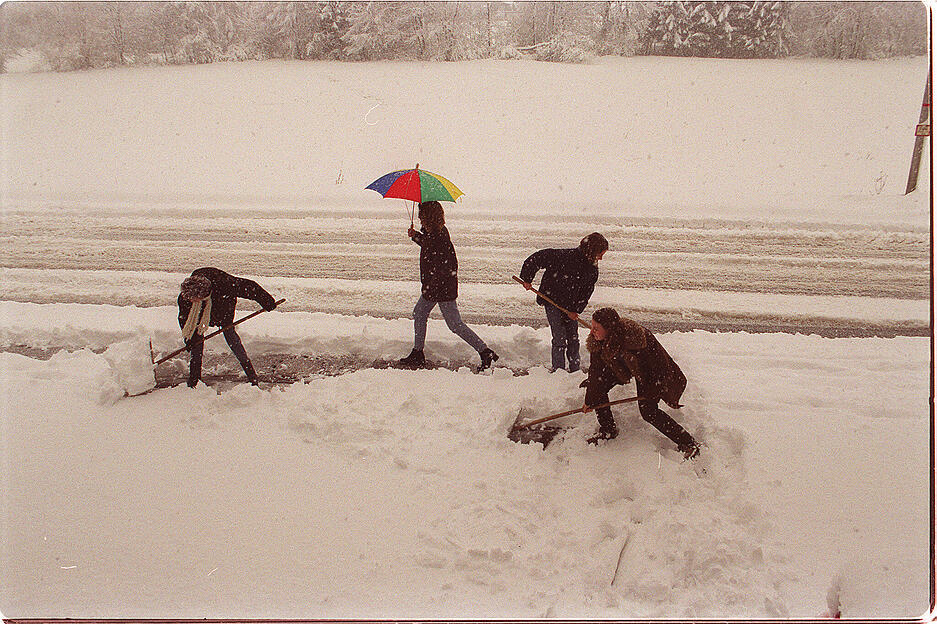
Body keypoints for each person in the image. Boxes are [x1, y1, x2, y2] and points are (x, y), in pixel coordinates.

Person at [581, 307, 700, 459]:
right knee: (598, 389)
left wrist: (654, 388)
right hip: (621, 366)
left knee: (648, 411)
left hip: (648, 372)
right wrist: (590, 399)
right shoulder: (597, 341)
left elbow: (660, 365)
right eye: (592, 326)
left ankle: (688, 442)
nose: (591, 331)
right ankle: (608, 429)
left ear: (609, 329)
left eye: (596, 328)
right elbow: (596, 372)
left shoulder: (637, 339)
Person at [398, 201, 499, 371]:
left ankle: (484, 351)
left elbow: (446, 265)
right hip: (439, 287)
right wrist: (415, 236)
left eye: (422, 215)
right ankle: (418, 353)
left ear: (428, 217)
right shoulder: (435, 233)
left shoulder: (438, 238)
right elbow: (428, 244)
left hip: (440, 288)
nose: (419, 218)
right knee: (429, 316)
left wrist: (432, 290)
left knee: (451, 324)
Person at [518, 232, 608, 372]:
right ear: (591, 250)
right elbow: (536, 259)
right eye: (600, 254)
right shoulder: (562, 256)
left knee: (573, 339)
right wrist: (527, 279)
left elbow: (586, 292)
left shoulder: (591, 269)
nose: (601, 258)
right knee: (559, 339)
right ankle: (558, 371)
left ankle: (574, 371)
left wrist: (576, 310)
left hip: (570, 308)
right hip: (552, 301)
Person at [177, 267, 278, 387]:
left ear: (202, 295)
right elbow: (184, 318)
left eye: (194, 299)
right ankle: (194, 379)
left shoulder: (225, 284)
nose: (191, 301)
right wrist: (189, 339)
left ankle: (251, 375)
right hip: (201, 312)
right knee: (196, 342)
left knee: (231, 338)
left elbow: (250, 286)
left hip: (224, 307)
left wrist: (267, 301)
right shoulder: (187, 296)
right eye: (190, 299)